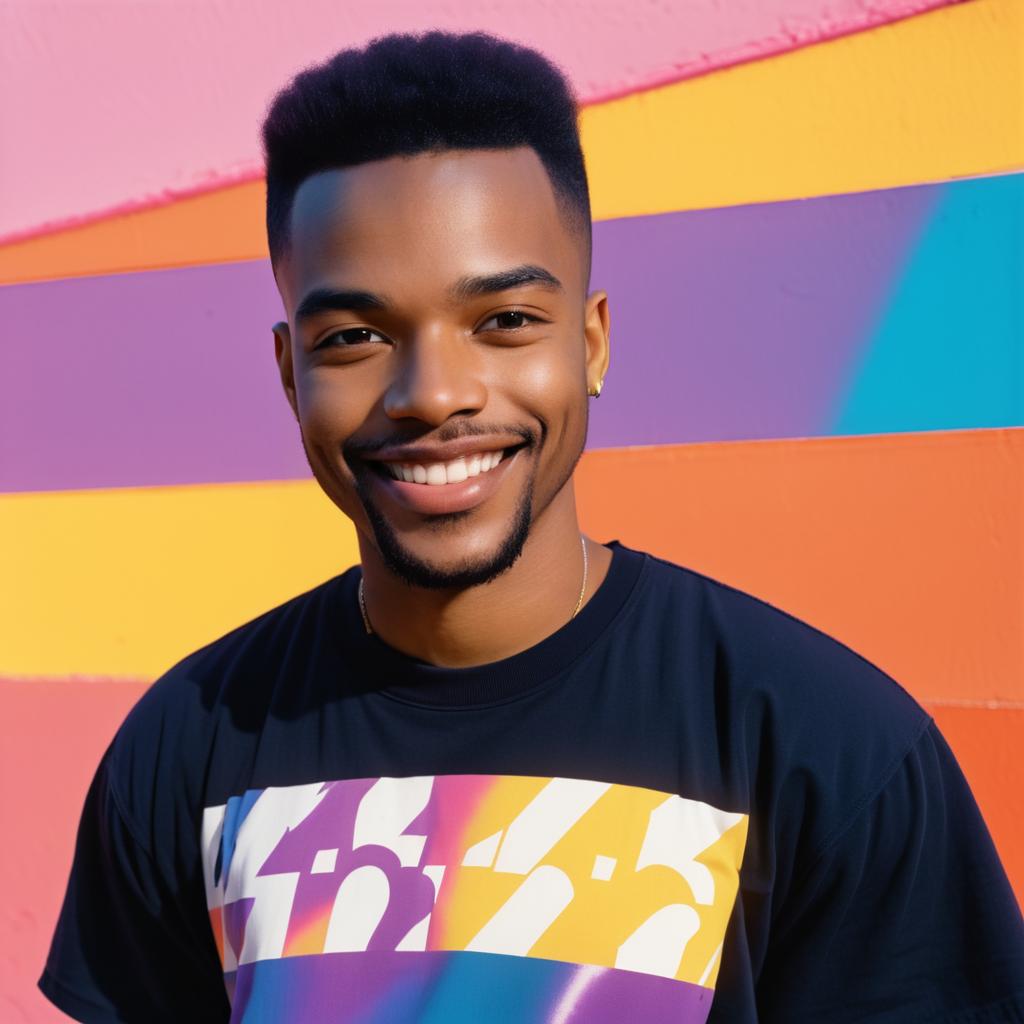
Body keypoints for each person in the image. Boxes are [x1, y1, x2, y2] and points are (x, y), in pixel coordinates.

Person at [40, 30, 1023, 1024]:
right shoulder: (185, 750)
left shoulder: (824, 747)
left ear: (589, 342)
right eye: (356, 338)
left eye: (504, 321)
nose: (432, 394)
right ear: (291, 373)